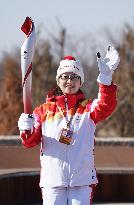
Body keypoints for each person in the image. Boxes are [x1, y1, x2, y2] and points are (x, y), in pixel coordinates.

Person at [18, 46, 120, 205]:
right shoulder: (43, 111)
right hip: (53, 181)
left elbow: (107, 105)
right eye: (65, 77)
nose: (69, 81)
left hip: (82, 181)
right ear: (58, 80)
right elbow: (29, 141)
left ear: (80, 81)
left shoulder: (88, 108)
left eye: (74, 77)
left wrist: (106, 78)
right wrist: (25, 128)